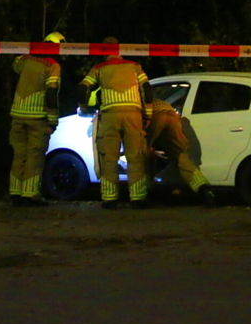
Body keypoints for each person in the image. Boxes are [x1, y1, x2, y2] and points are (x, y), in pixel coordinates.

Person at [77, 37, 153, 209]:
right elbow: (147, 89)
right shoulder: (134, 66)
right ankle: (138, 199)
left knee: (109, 158)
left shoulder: (98, 68)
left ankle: (110, 199)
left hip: (110, 116)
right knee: (135, 157)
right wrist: (147, 115)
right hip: (133, 115)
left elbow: (82, 88)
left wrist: (84, 107)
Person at [8, 31, 65, 206]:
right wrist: (53, 120)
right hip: (37, 118)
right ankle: (30, 195)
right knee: (35, 156)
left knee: (19, 155)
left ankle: (15, 193)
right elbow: (51, 93)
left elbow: (15, 65)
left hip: (17, 115)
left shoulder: (25, 59)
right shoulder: (52, 66)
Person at [148, 98, 217, 208]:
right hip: (174, 119)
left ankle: (143, 195)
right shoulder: (160, 101)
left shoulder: (138, 101)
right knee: (181, 156)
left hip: (156, 117)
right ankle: (203, 188)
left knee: (141, 153)